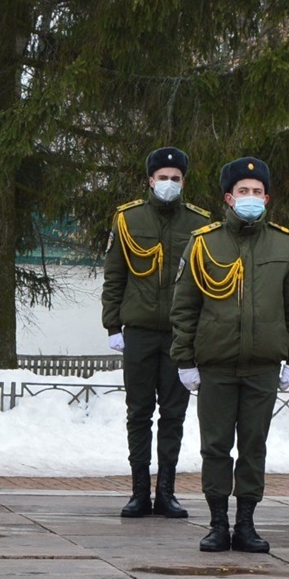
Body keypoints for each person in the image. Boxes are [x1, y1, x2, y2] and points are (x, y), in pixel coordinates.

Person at [170, 157, 289, 553]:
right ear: (228, 198)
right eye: (243, 191)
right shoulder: (203, 243)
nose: (251, 198)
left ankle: (246, 524)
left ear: (267, 197)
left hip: (262, 365)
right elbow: (184, 308)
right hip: (215, 364)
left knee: (253, 446)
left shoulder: (285, 245)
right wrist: (185, 359)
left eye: (257, 191)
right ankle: (217, 523)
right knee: (215, 446)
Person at [101, 147, 212, 518]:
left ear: (184, 182)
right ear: (150, 180)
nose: (168, 184)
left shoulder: (199, 224)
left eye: (175, 179)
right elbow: (115, 275)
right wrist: (112, 325)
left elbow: (203, 283)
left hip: (180, 336)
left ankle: (166, 492)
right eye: (162, 178)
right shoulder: (128, 219)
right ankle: (138, 492)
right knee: (139, 413)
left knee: (174, 415)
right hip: (140, 332)